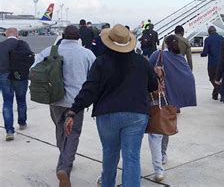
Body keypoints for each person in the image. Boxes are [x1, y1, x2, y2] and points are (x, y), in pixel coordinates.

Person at [65, 24, 158, 187]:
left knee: (109, 154)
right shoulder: (141, 62)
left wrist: (73, 111)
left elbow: (89, 89)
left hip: (107, 114)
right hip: (136, 114)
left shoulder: (101, 62)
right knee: (131, 157)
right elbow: (153, 86)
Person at [32, 25, 96, 187]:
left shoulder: (50, 51)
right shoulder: (86, 53)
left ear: (63, 36)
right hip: (76, 102)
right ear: (78, 37)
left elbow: (33, 70)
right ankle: (65, 167)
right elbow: (94, 76)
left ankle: (64, 158)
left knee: (60, 130)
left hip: (55, 99)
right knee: (73, 133)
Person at [148, 35, 197, 182]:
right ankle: (163, 155)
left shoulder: (158, 55)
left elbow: (148, 72)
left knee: (155, 133)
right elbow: (188, 77)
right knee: (165, 129)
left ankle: (158, 169)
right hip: (171, 101)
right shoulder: (180, 58)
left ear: (165, 44)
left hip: (158, 99)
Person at [0, 28, 33, 141]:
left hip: (4, 75)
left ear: (6, 35)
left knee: (7, 102)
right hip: (20, 76)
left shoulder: (1, 45)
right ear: (17, 35)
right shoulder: (22, 44)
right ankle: (22, 122)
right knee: (21, 100)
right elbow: (30, 58)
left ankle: (9, 130)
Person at [200, 26, 224, 100]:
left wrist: (202, 54)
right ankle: (215, 94)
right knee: (219, 78)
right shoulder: (222, 39)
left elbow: (205, 52)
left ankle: (222, 92)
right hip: (222, 62)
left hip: (213, 63)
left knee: (212, 78)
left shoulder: (208, 39)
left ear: (209, 32)